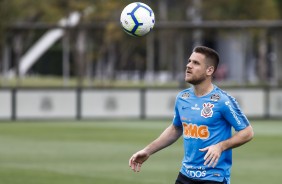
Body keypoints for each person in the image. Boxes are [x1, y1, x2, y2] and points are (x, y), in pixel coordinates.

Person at [129, 46, 254, 184]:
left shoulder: (223, 101)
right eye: (189, 61)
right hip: (186, 175)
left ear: (209, 70)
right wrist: (147, 151)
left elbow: (247, 132)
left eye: (196, 63)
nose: (188, 66)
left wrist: (221, 146)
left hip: (214, 177)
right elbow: (176, 128)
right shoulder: (183, 97)